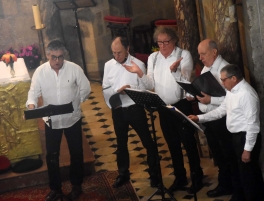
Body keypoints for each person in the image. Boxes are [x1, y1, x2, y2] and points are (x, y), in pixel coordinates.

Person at [124, 26, 203, 194]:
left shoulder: (184, 55)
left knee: (188, 143)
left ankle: (198, 177)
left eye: (166, 42)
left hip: (181, 105)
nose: (162, 46)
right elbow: (150, 84)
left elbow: (186, 80)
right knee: (172, 143)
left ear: (174, 40)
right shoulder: (153, 58)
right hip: (163, 107)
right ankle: (180, 177)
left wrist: (175, 71)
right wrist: (139, 73)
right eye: (159, 42)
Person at [188, 64, 264, 201]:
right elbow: (221, 110)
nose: (222, 83)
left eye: (223, 80)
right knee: (243, 175)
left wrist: (247, 150)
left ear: (234, 78)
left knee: (250, 178)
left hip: (245, 138)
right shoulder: (231, 91)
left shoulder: (247, 95)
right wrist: (199, 118)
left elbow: (253, 125)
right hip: (236, 137)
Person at [26, 40, 91, 201]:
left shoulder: (74, 69)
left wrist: (77, 102)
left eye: (60, 57)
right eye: (54, 57)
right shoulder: (40, 72)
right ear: (47, 55)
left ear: (64, 56)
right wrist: (32, 104)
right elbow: (33, 91)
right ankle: (55, 188)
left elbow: (86, 88)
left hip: (72, 119)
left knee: (76, 153)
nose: (57, 61)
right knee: (52, 156)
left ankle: (76, 185)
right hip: (51, 121)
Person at [102, 36, 159, 188]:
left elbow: (145, 89)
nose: (116, 56)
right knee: (121, 144)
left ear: (127, 49)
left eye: (119, 52)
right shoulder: (108, 65)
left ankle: (155, 176)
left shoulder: (138, 64)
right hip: (118, 110)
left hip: (135, 109)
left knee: (148, 142)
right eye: (114, 53)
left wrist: (130, 90)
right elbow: (105, 88)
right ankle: (123, 174)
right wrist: (117, 92)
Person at [187, 39, 234, 198]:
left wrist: (210, 100)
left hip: (221, 120)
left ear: (214, 52)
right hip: (209, 119)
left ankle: (228, 185)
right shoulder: (207, 67)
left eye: (203, 54)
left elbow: (232, 100)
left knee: (225, 154)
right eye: (199, 54)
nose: (200, 58)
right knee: (218, 154)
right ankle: (225, 182)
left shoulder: (225, 70)